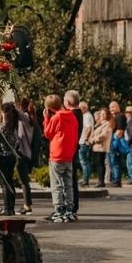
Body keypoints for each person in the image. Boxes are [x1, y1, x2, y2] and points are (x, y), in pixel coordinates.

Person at [42, 94, 81, 222]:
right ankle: (69, 210)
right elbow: (75, 136)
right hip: (69, 154)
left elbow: (48, 133)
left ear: (49, 108)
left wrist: (46, 118)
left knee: (57, 184)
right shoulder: (72, 116)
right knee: (68, 184)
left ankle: (59, 210)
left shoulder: (56, 117)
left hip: (57, 155)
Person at [0, 102, 35, 216]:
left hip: (4, 157)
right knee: (10, 182)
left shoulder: (3, 127)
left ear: (5, 113)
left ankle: (7, 207)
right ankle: (10, 207)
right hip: (12, 156)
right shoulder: (14, 125)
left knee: (5, 183)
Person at [89, 108, 114, 189]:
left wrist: (93, 139)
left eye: (104, 114)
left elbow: (104, 136)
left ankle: (101, 181)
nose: (102, 115)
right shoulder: (99, 123)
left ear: (107, 115)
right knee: (98, 164)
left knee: (101, 164)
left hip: (101, 146)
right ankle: (100, 180)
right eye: (101, 114)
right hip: (96, 147)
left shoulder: (107, 124)